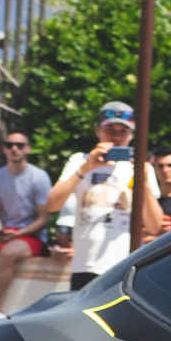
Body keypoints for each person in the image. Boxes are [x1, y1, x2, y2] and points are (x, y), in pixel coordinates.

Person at [45, 103, 138, 292]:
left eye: (123, 131)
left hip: (124, 264)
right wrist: (86, 169)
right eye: (110, 130)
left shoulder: (139, 168)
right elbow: (52, 205)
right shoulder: (79, 161)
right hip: (85, 265)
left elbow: (153, 224)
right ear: (98, 131)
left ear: (131, 135)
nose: (116, 136)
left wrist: (142, 175)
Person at [0, 132, 55, 315]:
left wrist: (18, 234)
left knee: (7, 253)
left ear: (27, 149)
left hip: (31, 235)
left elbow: (43, 219)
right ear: (4, 149)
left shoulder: (39, 177)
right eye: (9, 145)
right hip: (6, 231)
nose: (14, 148)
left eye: (19, 145)